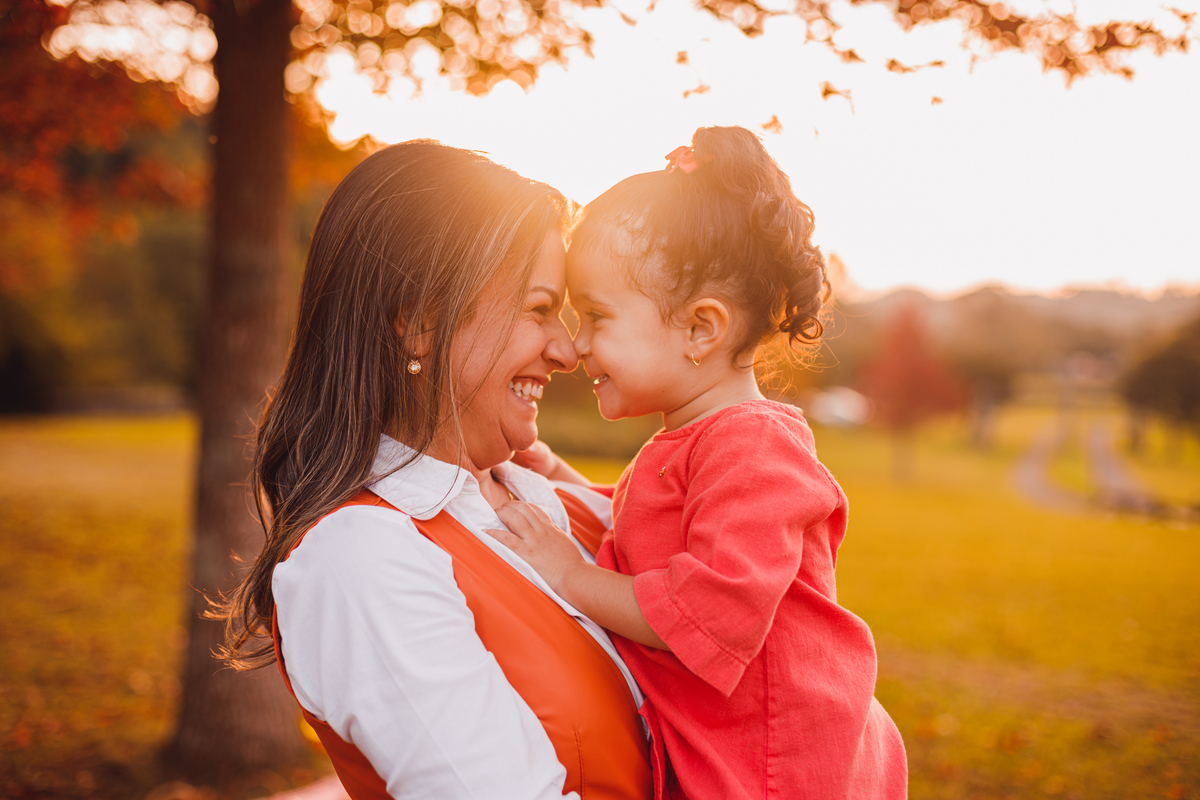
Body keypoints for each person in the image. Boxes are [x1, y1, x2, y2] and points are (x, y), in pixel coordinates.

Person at [217, 141, 652, 800]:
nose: (568, 350)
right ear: (420, 322)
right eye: (539, 309)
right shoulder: (360, 559)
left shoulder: (549, 496)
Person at [488, 126, 908, 800]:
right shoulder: (703, 439)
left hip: (775, 769)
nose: (576, 344)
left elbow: (711, 607)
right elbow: (656, 529)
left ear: (700, 329)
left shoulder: (752, 445)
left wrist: (570, 575)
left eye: (597, 316)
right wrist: (557, 474)